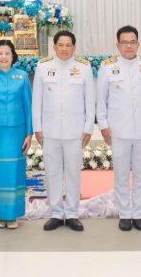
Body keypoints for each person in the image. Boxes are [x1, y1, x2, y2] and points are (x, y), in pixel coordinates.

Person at [97, 26, 141, 232]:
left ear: (138, 44)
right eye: (125, 42)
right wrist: (103, 125)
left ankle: (138, 213)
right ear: (118, 45)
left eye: (133, 42)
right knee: (121, 174)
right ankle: (124, 213)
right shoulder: (108, 67)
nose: (129, 46)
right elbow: (101, 100)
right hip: (119, 130)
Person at [33, 30, 94, 232]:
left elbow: (89, 100)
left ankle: (72, 213)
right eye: (61, 45)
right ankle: (57, 213)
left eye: (68, 45)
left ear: (74, 48)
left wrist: (88, 128)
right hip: (50, 131)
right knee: (53, 173)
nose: (65, 49)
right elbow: (37, 101)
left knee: (73, 173)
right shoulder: (43, 67)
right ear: (55, 47)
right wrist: (38, 127)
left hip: (75, 132)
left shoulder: (84, 68)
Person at [0, 39, 32, 230]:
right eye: (0, 53)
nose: (3, 57)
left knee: (14, 172)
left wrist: (29, 133)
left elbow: (28, 106)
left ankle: (12, 215)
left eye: (7, 53)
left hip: (16, 132)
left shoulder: (22, 76)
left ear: (13, 56)